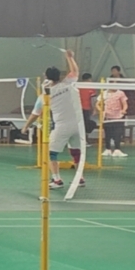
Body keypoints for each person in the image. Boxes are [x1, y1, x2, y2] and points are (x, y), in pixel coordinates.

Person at [41, 50, 85, 191]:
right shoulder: (68, 83)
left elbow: (44, 94)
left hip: (62, 126)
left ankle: (57, 180)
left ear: (47, 77)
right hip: (78, 126)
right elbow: (75, 71)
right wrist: (69, 57)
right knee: (76, 152)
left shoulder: (46, 90)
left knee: (51, 153)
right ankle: (80, 178)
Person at [99, 80, 129, 159]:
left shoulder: (120, 93)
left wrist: (124, 110)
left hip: (118, 117)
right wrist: (101, 110)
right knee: (108, 134)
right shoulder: (104, 93)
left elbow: (125, 104)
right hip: (107, 117)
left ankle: (117, 150)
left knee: (118, 134)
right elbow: (98, 104)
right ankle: (107, 149)